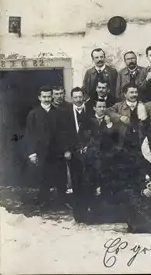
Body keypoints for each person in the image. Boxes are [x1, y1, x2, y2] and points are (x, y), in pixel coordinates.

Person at [105, 83, 148, 210]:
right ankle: (125, 205)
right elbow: (108, 111)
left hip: (139, 145)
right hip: (123, 146)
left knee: (138, 174)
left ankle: (138, 204)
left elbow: (146, 123)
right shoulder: (119, 106)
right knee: (124, 175)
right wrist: (120, 117)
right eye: (131, 92)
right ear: (125, 94)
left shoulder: (142, 106)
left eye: (135, 92)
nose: (134, 95)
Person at [25, 86, 65, 209]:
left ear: (52, 96)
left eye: (49, 96)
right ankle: (44, 201)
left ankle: (61, 202)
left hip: (57, 151)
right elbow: (29, 134)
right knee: (43, 177)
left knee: (60, 176)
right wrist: (32, 153)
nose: (47, 99)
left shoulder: (58, 112)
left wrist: (65, 150)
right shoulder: (33, 113)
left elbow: (63, 133)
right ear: (39, 97)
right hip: (41, 151)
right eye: (44, 97)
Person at [58, 87, 92, 223]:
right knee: (76, 181)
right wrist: (66, 150)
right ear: (72, 98)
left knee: (88, 181)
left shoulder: (90, 110)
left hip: (89, 152)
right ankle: (78, 214)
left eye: (80, 97)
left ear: (84, 97)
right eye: (75, 97)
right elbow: (62, 134)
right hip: (73, 153)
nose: (78, 99)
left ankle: (89, 210)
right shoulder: (65, 113)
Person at [84, 99, 119, 222]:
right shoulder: (88, 121)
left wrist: (109, 126)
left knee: (104, 182)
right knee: (91, 182)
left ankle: (102, 210)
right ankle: (91, 209)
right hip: (91, 156)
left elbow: (115, 139)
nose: (102, 109)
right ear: (94, 108)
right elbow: (84, 137)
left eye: (104, 106)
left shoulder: (110, 121)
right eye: (99, 106)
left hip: (105, 157)